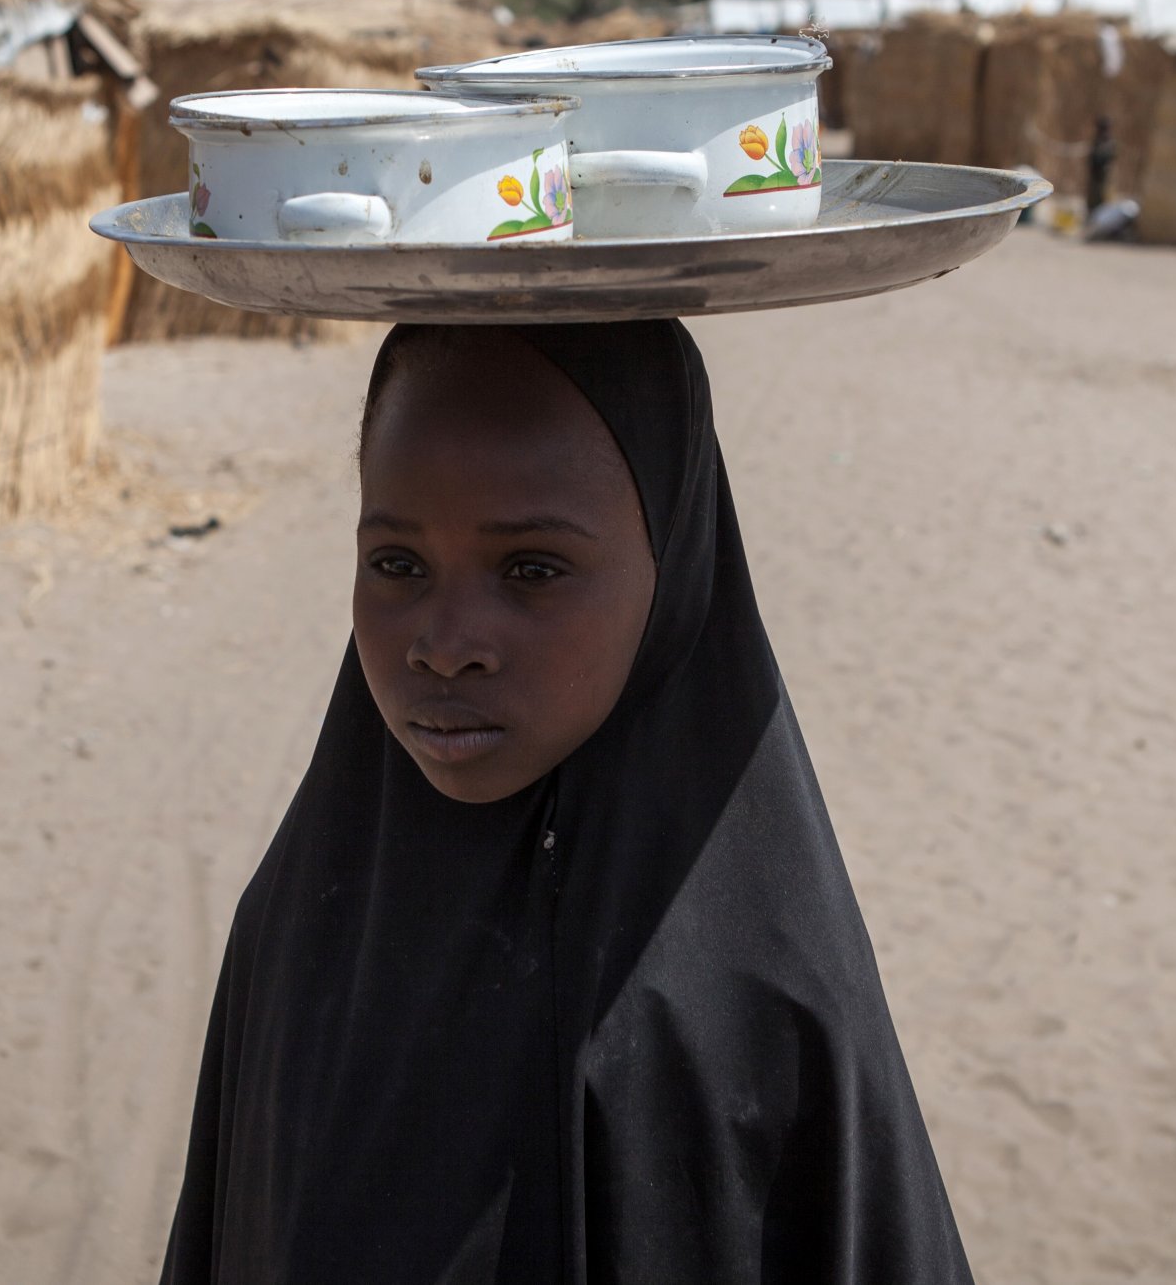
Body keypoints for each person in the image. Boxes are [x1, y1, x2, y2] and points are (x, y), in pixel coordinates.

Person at [160, 320, 971, 1284]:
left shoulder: (757, 1011)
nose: (445, 642)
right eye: (398, 564)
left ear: (672, 569)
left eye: (532, 569)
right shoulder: (297, 932)